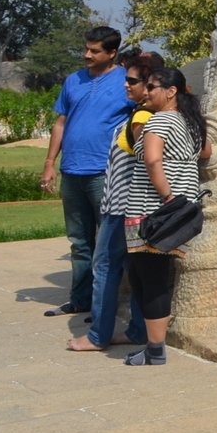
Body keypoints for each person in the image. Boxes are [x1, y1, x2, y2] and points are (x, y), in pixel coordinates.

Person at [66, 50, 160, 352]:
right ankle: (136, 331)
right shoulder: (140, 115)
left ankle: (98, 334)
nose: (125, 85)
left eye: (131, 80)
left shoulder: (142, 118)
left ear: (148, 85)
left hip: (124, 206)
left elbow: (153, 158)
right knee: (135, 270)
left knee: (105, 264)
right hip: (129, 204)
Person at [41, 26, 135, 319]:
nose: (87, 55)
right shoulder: (74, 80)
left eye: (95, 51)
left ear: (112, 52)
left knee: (108, 245)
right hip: (72, 172)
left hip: (105, 173)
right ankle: (79, 299)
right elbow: (60, 122)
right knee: (79, 241)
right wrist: (49, 163)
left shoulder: (126, 82)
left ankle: (104, 306)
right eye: (86, 49)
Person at [123, 66, 209, 366]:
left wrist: (166, 196)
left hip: (151, 212)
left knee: (152, 279)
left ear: (171, 91)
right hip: (179, 213)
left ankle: (155, 349)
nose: (146, 92)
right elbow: (206, 151)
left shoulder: (160, 120)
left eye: (152, 87)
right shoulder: (191, 122)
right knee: (144, 275)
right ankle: (152, 344)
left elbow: (152, 159)